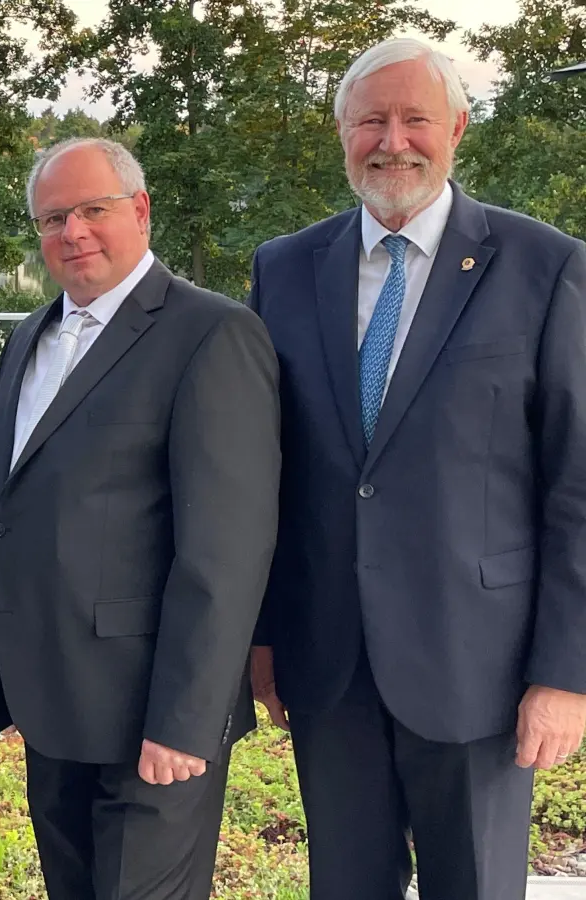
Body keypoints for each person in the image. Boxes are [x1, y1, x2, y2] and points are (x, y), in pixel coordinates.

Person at [247, 37, 586, 900]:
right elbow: (258, 471)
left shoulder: (545, 267)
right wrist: (262, 636)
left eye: (415, 119)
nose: (392, 139)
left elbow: (577, 485)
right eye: (370, 120)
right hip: (329, 661)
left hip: (482, 668)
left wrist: (566, 674)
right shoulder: (283, 269)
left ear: (458, 130)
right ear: (342, 135)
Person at [0, 138, 280, 900]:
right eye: (53, 218)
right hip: (50, 702)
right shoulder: (32, 334)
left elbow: (227, 550)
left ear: (139, 210)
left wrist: (186, 719)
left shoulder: (211, 334)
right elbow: (1, 510)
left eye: (93, 210)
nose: (73, 232)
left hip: (150, 714)